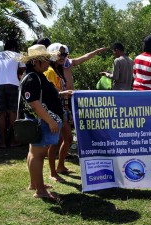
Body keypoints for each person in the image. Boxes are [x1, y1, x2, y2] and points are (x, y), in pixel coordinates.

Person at [45, 43, 107, 182]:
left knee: (68, 138)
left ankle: (60, 166)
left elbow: (83, 58)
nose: (63, 57)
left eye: (65, 54)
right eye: (60, 54)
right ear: (53, 54)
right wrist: (63, 93)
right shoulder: (49, 71)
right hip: (55, 108)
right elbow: (49, 94)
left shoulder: (61, 68)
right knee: (55, 141)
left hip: (64, 106)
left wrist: (96, 51)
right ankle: (53, 172)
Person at [19, 44, 72, 199]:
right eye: (46, 59)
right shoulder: (33, 78)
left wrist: (61, 94)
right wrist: (50, 121)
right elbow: (34, 103)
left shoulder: (34, 75)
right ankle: (40, 190)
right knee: (38, 154)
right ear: (36, 61)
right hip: (41, 121)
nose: (49, 62)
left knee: (33, 153)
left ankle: (35, 184)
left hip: (39, 121)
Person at [0, 39, 26, 148]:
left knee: (1, 114)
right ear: (15, 48)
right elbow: (23, 70)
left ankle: (2, 142)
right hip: (14, 85)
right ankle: (13, 141)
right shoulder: (18, 55)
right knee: (13, 113)